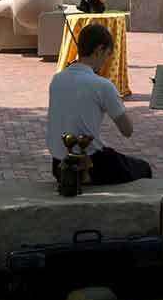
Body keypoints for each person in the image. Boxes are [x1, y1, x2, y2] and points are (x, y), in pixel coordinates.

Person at [47, 24, 152, 185]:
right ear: (99, 50)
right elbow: (127, 130)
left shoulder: (57, 79)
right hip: (91, 165)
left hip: (58, 165)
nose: (106, 61)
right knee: (144, 168)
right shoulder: (102, 85)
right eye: (107, 54)